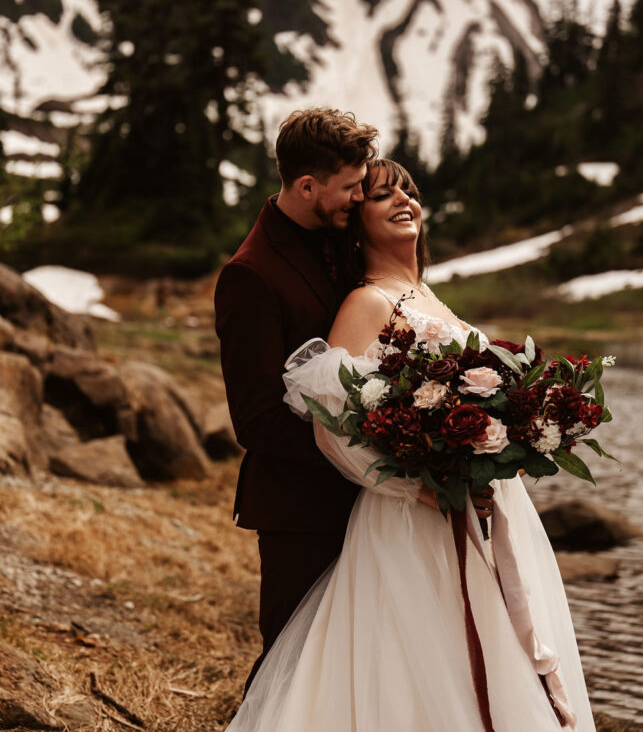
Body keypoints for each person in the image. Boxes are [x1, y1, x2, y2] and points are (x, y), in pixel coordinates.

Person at [224, 158, 596, 731]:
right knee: (419, 666)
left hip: (480, 509)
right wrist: (418, 488)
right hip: (415, 516)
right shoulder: (367, 302)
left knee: (494, 656)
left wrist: (518, 431)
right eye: (381, 195)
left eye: (410, 191)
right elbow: (333, 424)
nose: (404, 201)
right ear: (356, 220)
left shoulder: (426, 295)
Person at [214, 108, 379, 691]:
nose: (359, 197)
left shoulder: (342, 238)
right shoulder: (250, 276)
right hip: (298, 508)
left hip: (368, 504)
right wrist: (367, 452)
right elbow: (256, 420)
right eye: (350, 186)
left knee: (357, 662)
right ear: (306, 186)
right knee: (290, 665)